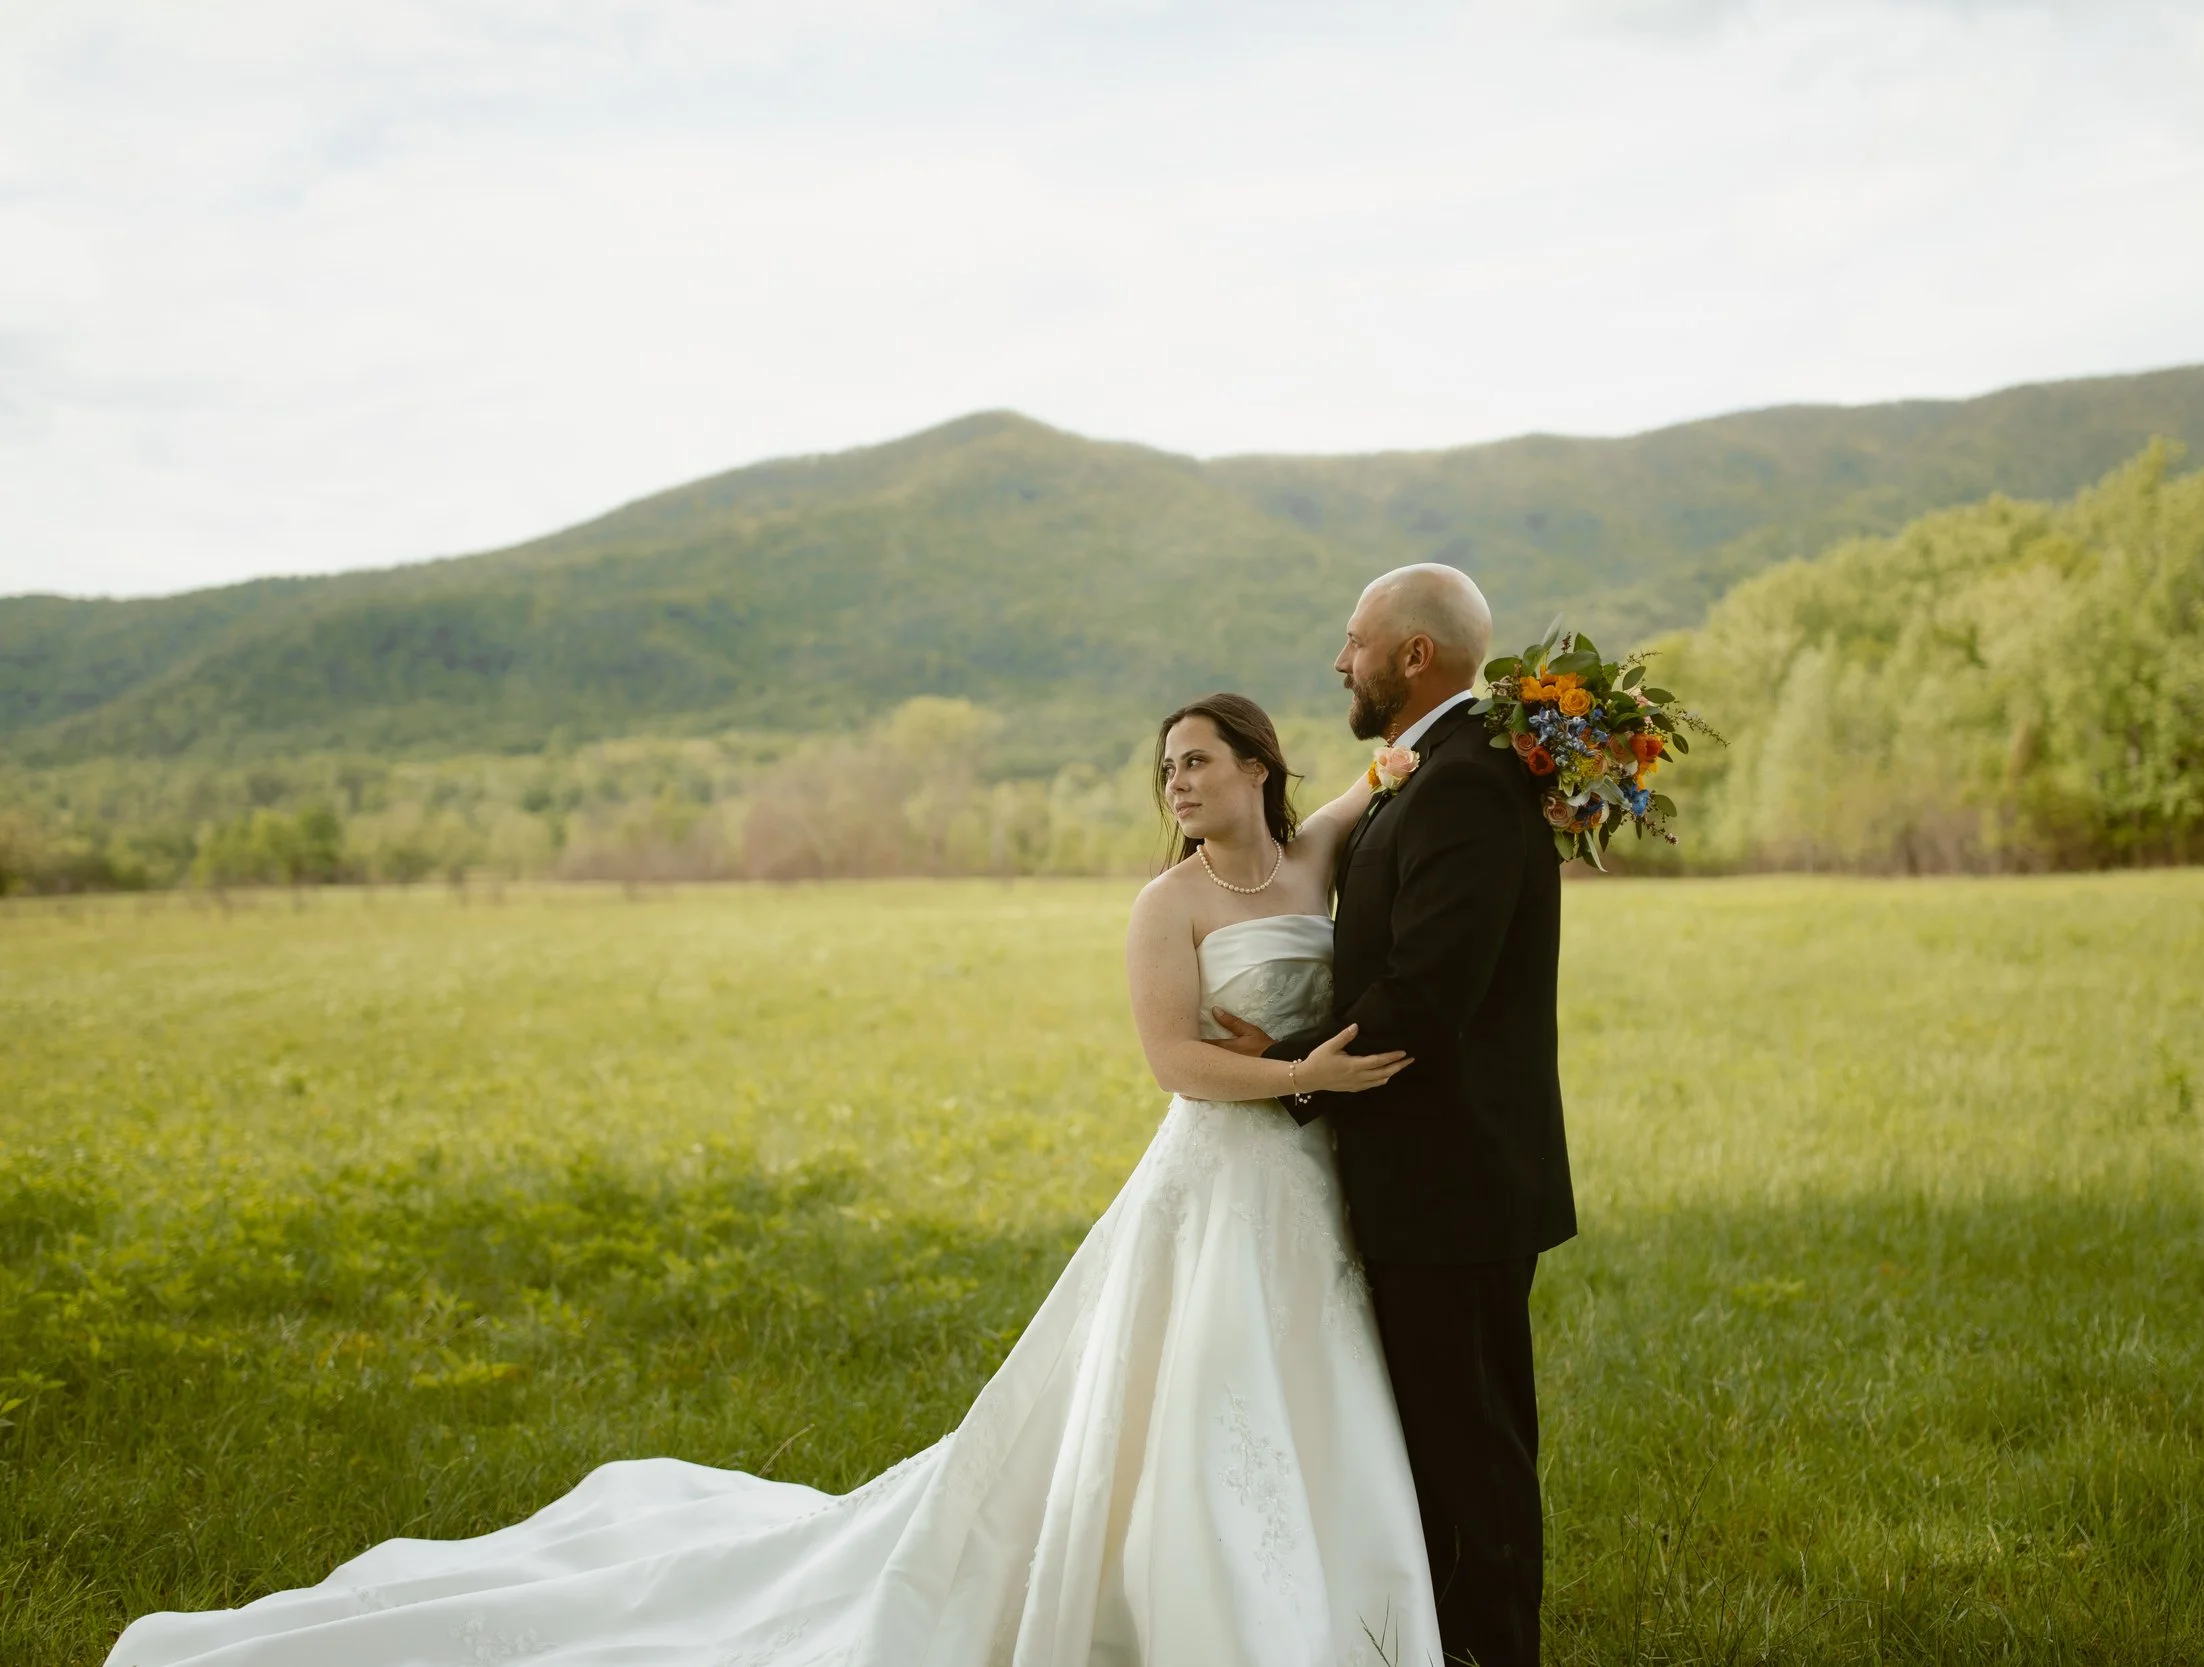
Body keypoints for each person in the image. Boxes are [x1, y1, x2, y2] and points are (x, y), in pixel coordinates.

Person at [105, 694, 1442, 1667]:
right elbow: (1170, 1061)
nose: (1179, 783)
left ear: (1262, 764)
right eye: (1164, 768)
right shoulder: (1167, 907)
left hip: (1304, 1186)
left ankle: (1341, 1602)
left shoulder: (1315, 856)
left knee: (1302, 1382)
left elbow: (1396, 763)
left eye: (1199, 760)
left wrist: (1534, 717)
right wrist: (1302, 1079)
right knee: (1202, 1391)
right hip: (1215, 1172)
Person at [1217, 563, 1572, 1667]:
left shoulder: (1465, 782)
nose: (1340, 660)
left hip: (1452, 1178)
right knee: (1442, 1428)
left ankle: (1491, 1647)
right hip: (1432, 1174)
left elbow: (1427, 993)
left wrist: (1284, 1068)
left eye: (1355, 640)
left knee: (1470, 1439)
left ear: (1414, 655)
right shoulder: (1437, 767)